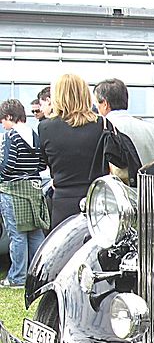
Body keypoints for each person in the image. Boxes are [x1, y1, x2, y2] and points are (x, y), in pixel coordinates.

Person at [38, 74, 105, 229]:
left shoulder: (46, 127)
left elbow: (46, 161)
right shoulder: (100, 124)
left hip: (63, 198)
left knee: (63, 250)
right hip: (96, 199)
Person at [0, 98, 48, 288]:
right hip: (33, 189)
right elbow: (42, 165)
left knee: (17, 235)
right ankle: (39, 274)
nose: (2, 125)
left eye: (3, 120)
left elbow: (8, 164)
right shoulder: (35, 134)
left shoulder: (11, 136)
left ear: (10, 116)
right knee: (35, 233)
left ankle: (17, 277)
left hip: (13, 190)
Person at [94, 78, 154, 165]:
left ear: (105, 104)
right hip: (146, 178)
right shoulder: (152, 130)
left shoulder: (102, 129)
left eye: (97, 103)